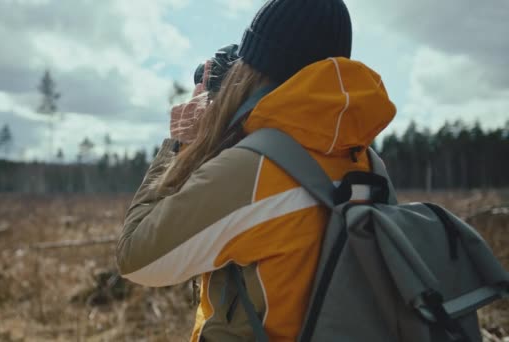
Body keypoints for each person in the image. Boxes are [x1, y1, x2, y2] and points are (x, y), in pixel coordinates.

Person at [116, 0, 397, 340]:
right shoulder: (369, 165)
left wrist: (182, 143)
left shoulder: (255, 169)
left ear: (255, 68)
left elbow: (136, 257)